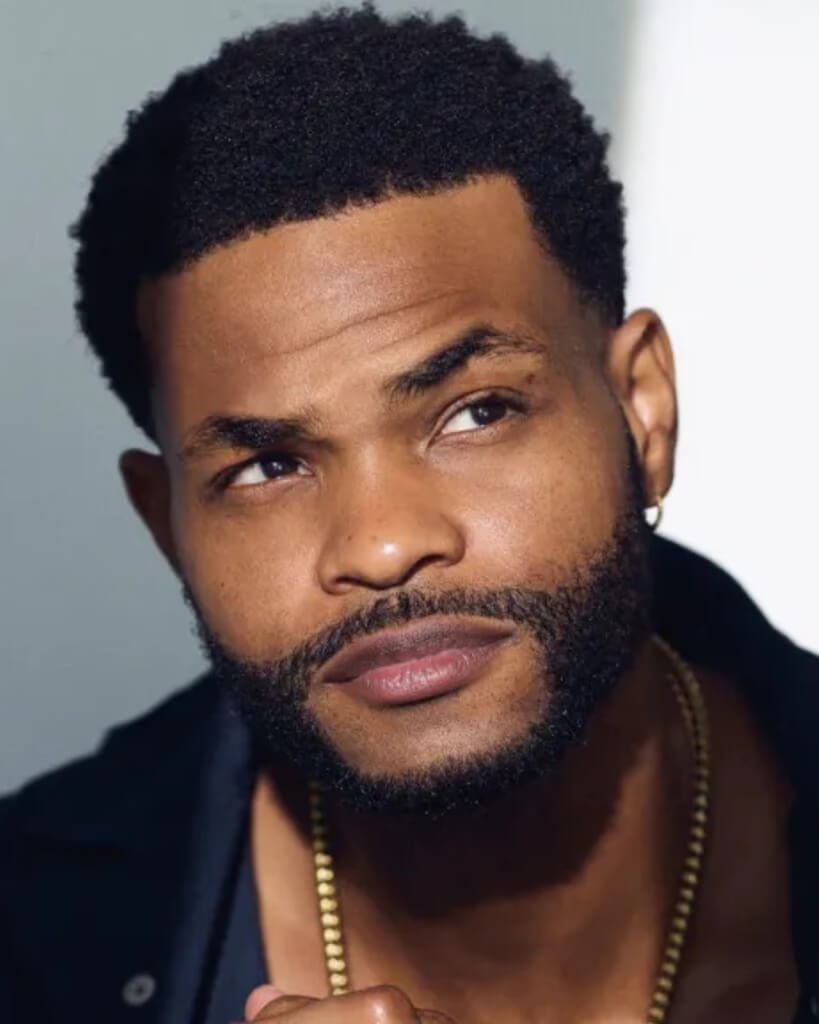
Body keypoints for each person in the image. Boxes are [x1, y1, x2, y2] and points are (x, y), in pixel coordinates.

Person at [1, 5, 816, 1022]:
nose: (383, 546)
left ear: (641, 413)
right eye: (267, 467)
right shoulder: (29, 940)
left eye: (476, 412)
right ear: (167, 527)